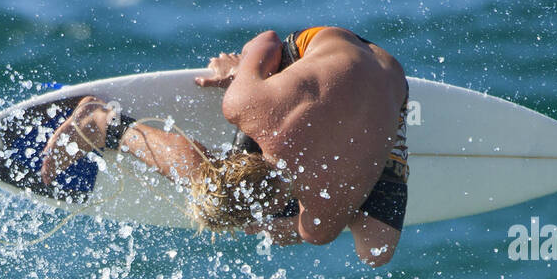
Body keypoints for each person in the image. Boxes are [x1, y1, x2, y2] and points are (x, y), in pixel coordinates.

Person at [39, 27, 410, 266]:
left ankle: (102, 124)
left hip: (355, 69)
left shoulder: (318, 218)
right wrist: (243, 71)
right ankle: (374, 138)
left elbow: (266, 38)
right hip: (369, 67)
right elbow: (264, 43)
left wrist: (283, 229)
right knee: (375, 250)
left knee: (376, 251)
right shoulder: (244, 103)